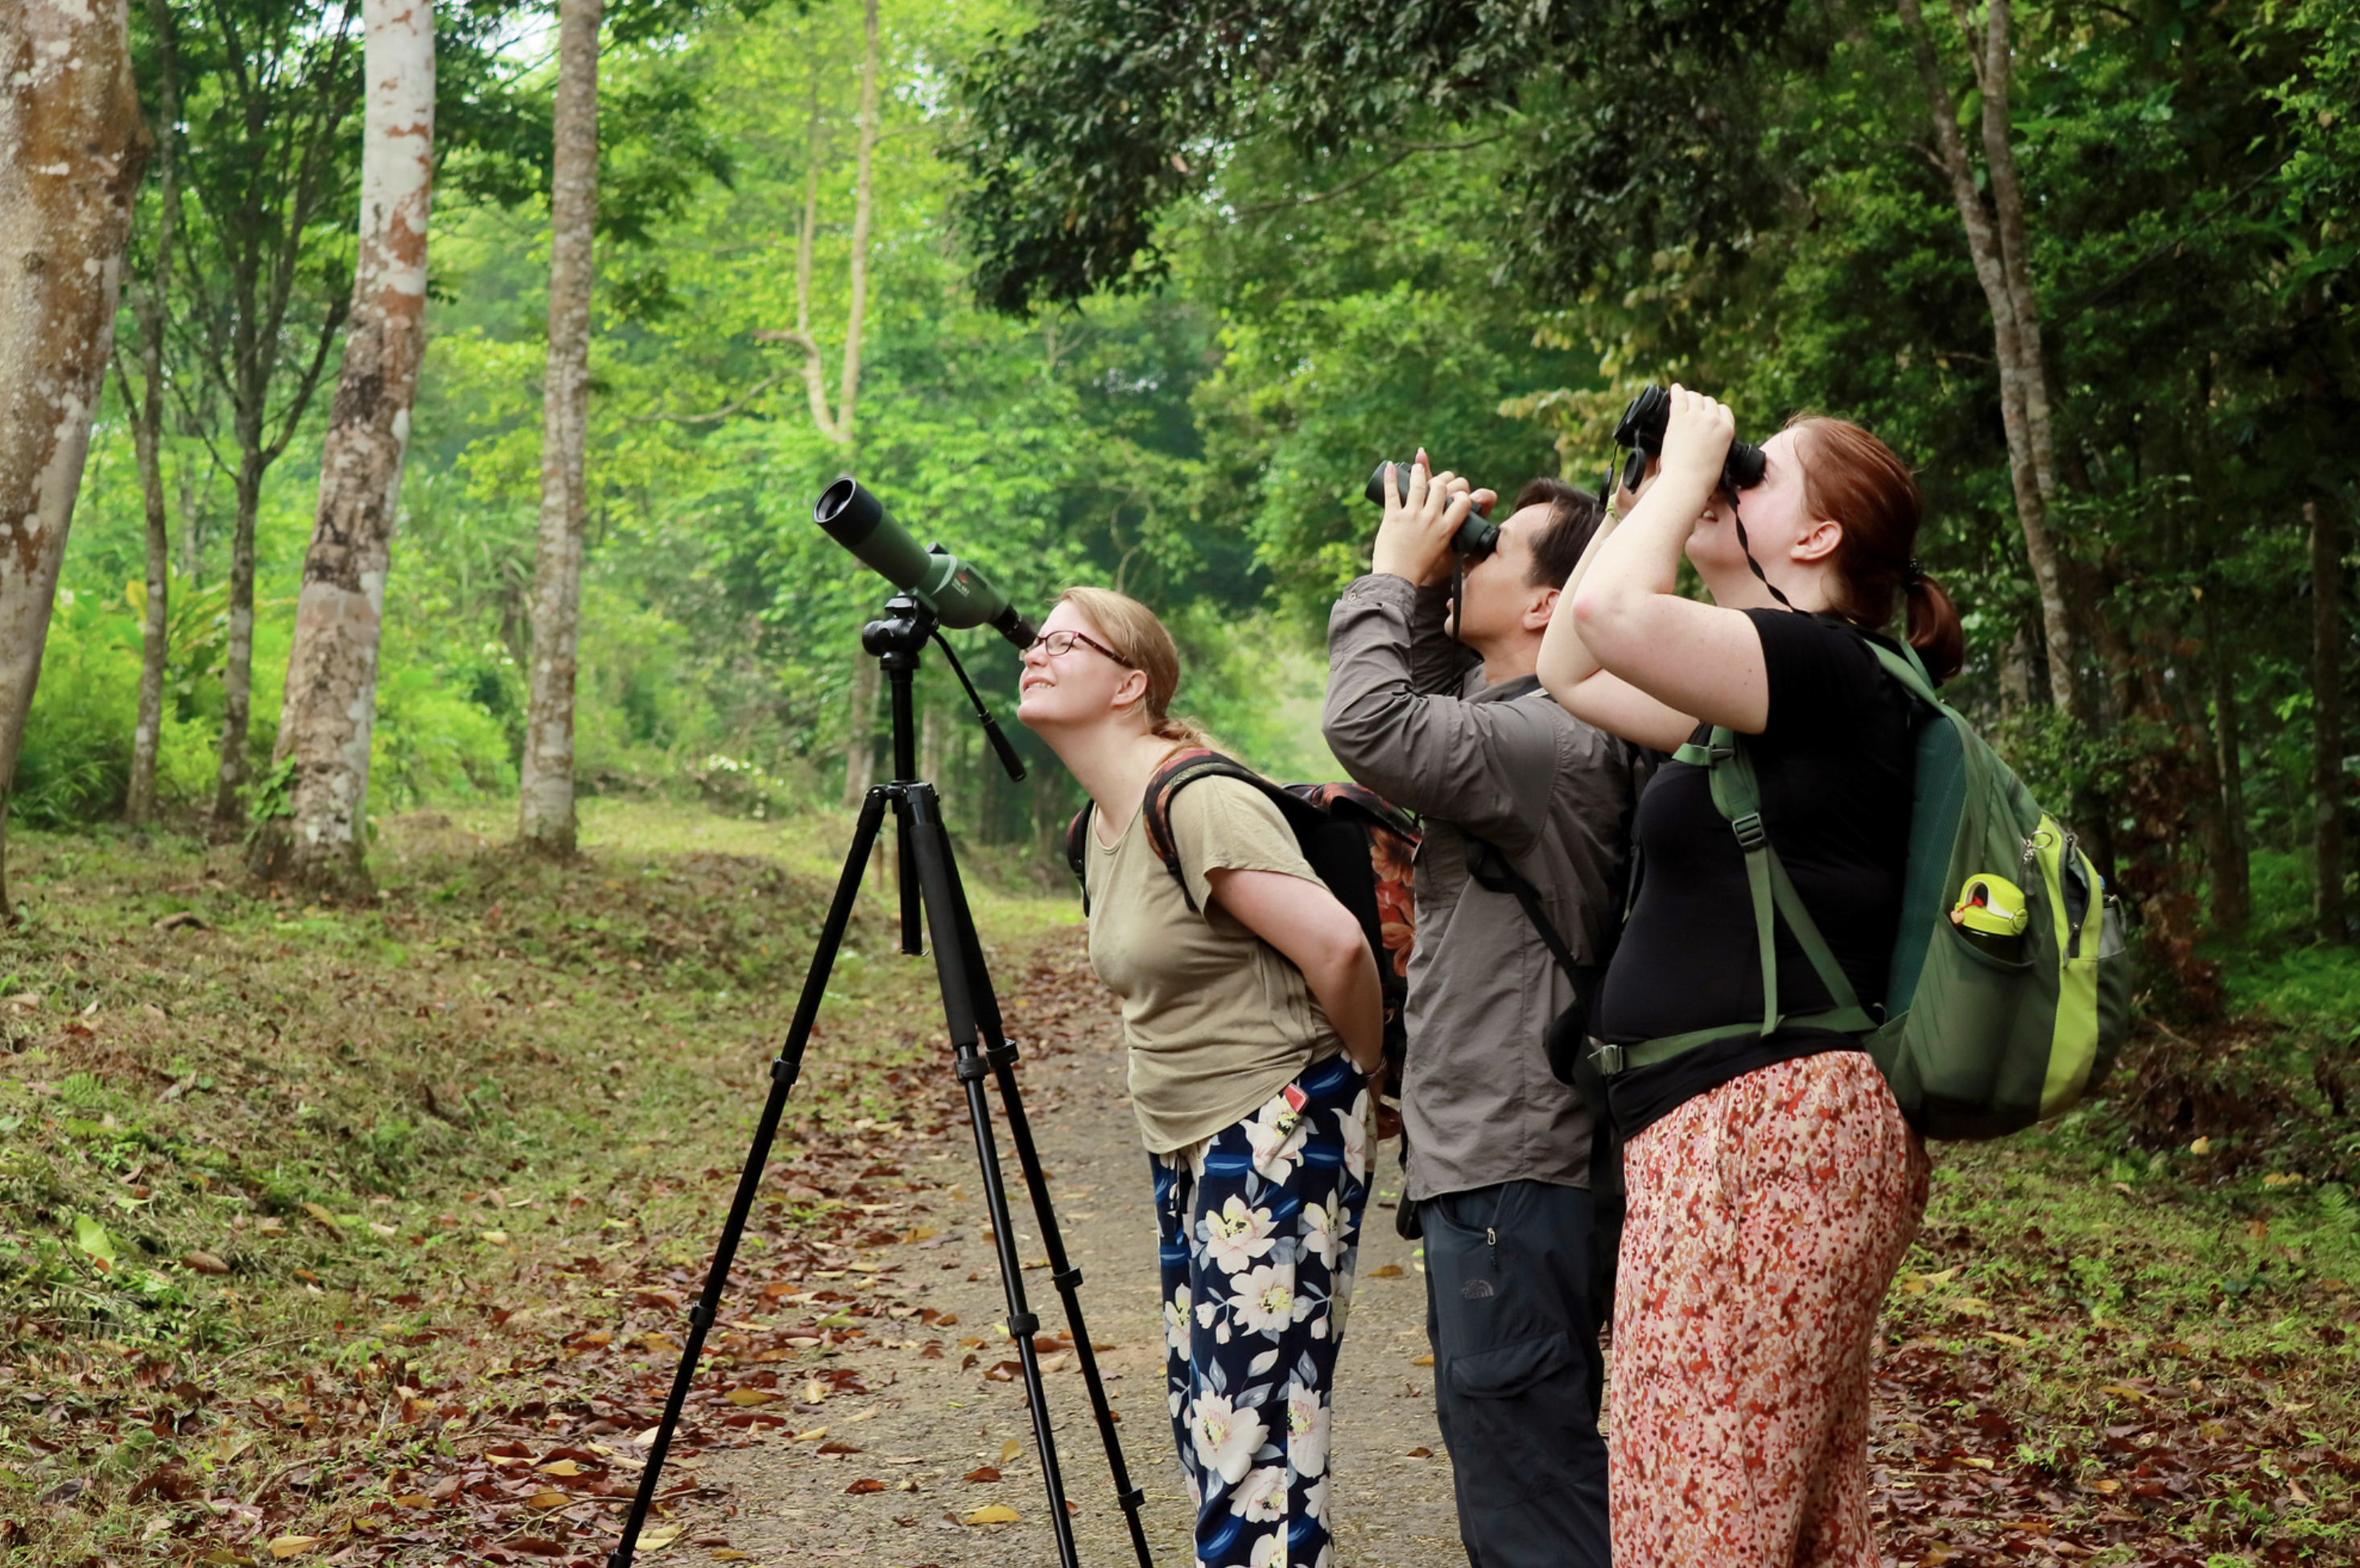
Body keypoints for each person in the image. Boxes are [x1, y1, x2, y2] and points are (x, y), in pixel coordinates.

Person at [1535, 386, 1966, 1566]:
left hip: (1762, 1135)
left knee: (1702, 1507)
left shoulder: (1824, 667)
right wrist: (1651, 493)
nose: (1729, 476)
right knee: (1788, 1513)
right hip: (1752, 1134)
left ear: (1819, 538)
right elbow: (1574, 657)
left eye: (1758, 471)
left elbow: (1613, 620)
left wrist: (1684, 476)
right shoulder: (1770, 703)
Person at [1321, 456, 1652, 1568]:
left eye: (1496, 544)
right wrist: (1428, 579)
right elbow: (1419, 703)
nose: (1471, 548)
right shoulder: (1519, 719)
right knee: (1517, 1453)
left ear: (1553, 604)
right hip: (1510, 1156)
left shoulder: (1545, 742)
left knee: (1528, 1488)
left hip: (1514, 1165)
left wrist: (1386, 574)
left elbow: (1370, 722)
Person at [1016, 584, 1386, 1568]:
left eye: (1066, 641)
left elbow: (1339, 950)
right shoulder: (1093, 826)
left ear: (1130, 682)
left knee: (1254, 1431)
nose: (1036, 652)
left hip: (1275, 1122)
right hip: (1188, 1142)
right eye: (1037, 638)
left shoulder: (1199, 799)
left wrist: (1357, 1079)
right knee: (1212, 1415)